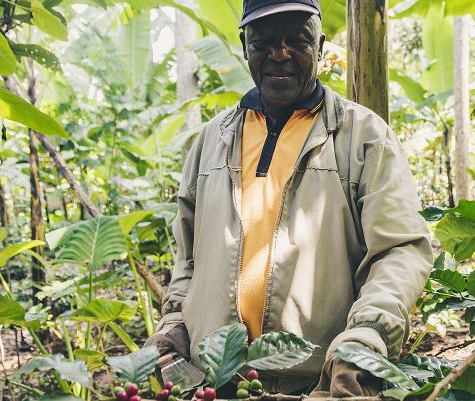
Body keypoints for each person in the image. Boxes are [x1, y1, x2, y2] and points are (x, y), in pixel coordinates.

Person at [144, 0, 433, 396]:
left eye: (296, 41)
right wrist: (174, 324)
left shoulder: (363, 136)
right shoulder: (212, 140)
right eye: (262, 42)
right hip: (215, 382)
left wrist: (366, 337)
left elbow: (399, 251)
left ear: (320, 45)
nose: (279, 55)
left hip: (319, 382)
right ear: (244, 45)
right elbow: (188, 259)